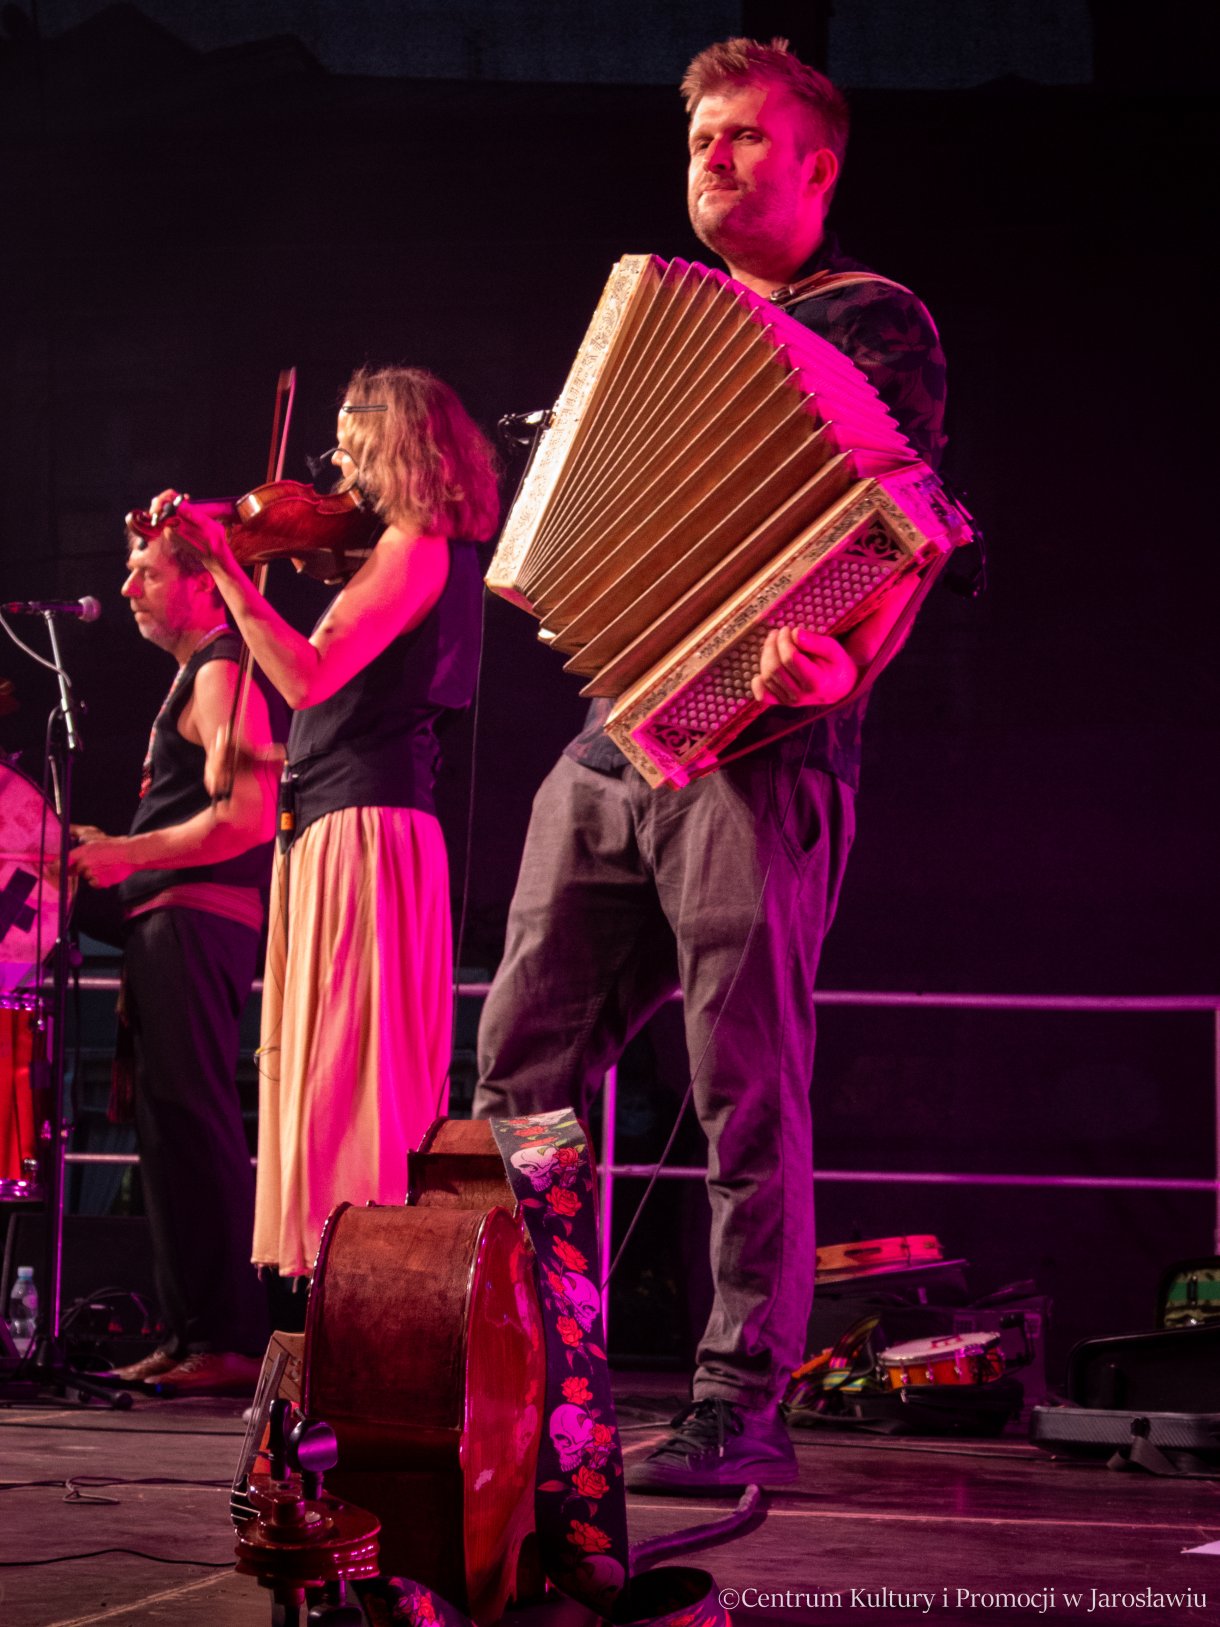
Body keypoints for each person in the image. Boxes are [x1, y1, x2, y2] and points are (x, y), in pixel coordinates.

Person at [474, 37, 948, 1492]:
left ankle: (741, 1398)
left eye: (747, 137)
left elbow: (904, 528)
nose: (716, 158)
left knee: (744, 1078)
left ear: (820, 164)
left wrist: (837, 656)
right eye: (702, 140)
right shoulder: (658, 326)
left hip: (771, 746)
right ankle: (528, 1370)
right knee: (517, 1063)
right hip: (622, 729)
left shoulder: (876, 321)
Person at [146, 367, 500, 1281]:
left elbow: (305, 677)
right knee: (327, 1067)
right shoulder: (402, 545)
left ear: (398, 444)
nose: (336, 465)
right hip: (346, 817)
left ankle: (363, 1285)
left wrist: (223, 566)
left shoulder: (417, 546)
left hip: (367, 830)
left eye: (353, 442)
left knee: (351, 1068)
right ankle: (340, 1294)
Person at [70, 523, 279, 1394]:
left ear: (201, 584)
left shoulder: (223, 666)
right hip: (170, 919)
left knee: (189, 1121)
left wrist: (129, 851)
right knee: (164, 1126)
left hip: (196, 918)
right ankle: (193, 1328)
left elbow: (247, 819)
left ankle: (228, 1337)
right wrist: (118, 850)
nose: (127, 589)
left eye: (146, 571)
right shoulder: (202, 673)